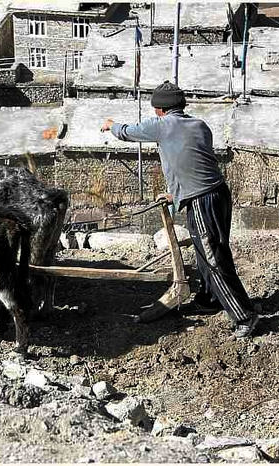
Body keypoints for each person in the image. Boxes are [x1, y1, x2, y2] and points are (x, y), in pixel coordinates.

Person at [100, 80, 259, 339]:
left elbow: (129, 132)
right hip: (219, 193)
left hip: (201, 199)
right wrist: (175, 193)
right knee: (211, 250)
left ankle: (244, 315)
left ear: (160, 109)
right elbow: (192, 160)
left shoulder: (162, 126)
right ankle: (209, 300)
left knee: (211, 257)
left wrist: (111, 125)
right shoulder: (199, 125)